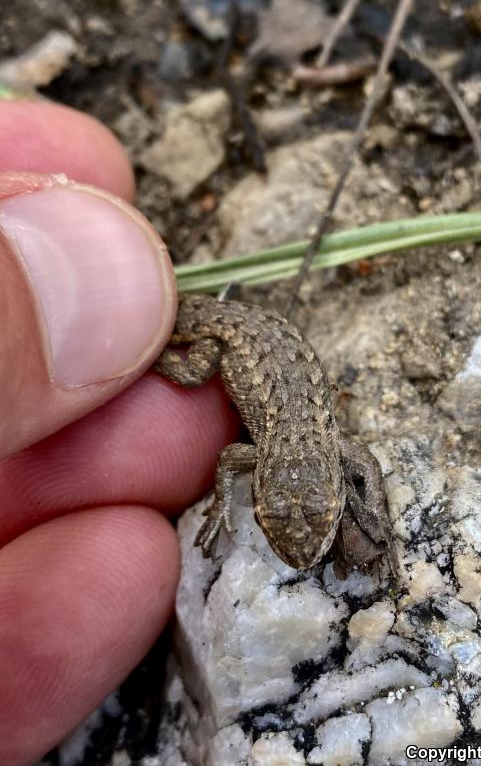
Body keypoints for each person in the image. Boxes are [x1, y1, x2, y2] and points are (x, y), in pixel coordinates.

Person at [0, 99, 239, 765]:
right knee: (187, 382)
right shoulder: (245, 437)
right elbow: (211, 408)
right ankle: (146, 335)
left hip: (235, 335)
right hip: (227, 336)